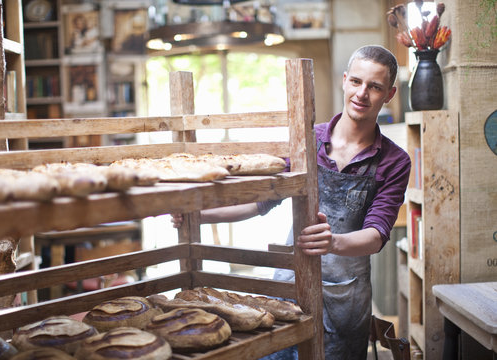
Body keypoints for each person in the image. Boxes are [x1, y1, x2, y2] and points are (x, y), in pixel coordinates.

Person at [171, 45, 411, 360]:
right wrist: (199, 216)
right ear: (344, 80)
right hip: (292, 286)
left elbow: (377, 234)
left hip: (347, 298)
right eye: (356, 81)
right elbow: (260, 201)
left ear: (389, 94)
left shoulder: (395, 160)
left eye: (375, 86)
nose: (362, 93)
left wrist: (333, 242)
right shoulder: (306, 141)